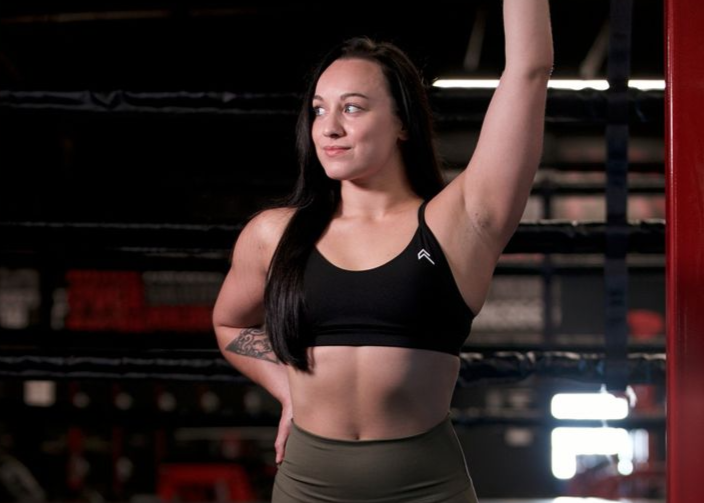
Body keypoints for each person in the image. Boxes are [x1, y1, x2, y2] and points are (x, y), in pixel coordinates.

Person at [212, 1, 553, 501]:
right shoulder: (273, 234)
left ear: (402, 123)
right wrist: (289, 390)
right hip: (307, 486)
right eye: (319, 109)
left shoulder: (458, 222)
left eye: (352, 108)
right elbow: (229, 324)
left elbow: (529, 69)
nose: (329, 127)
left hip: (426, 488)